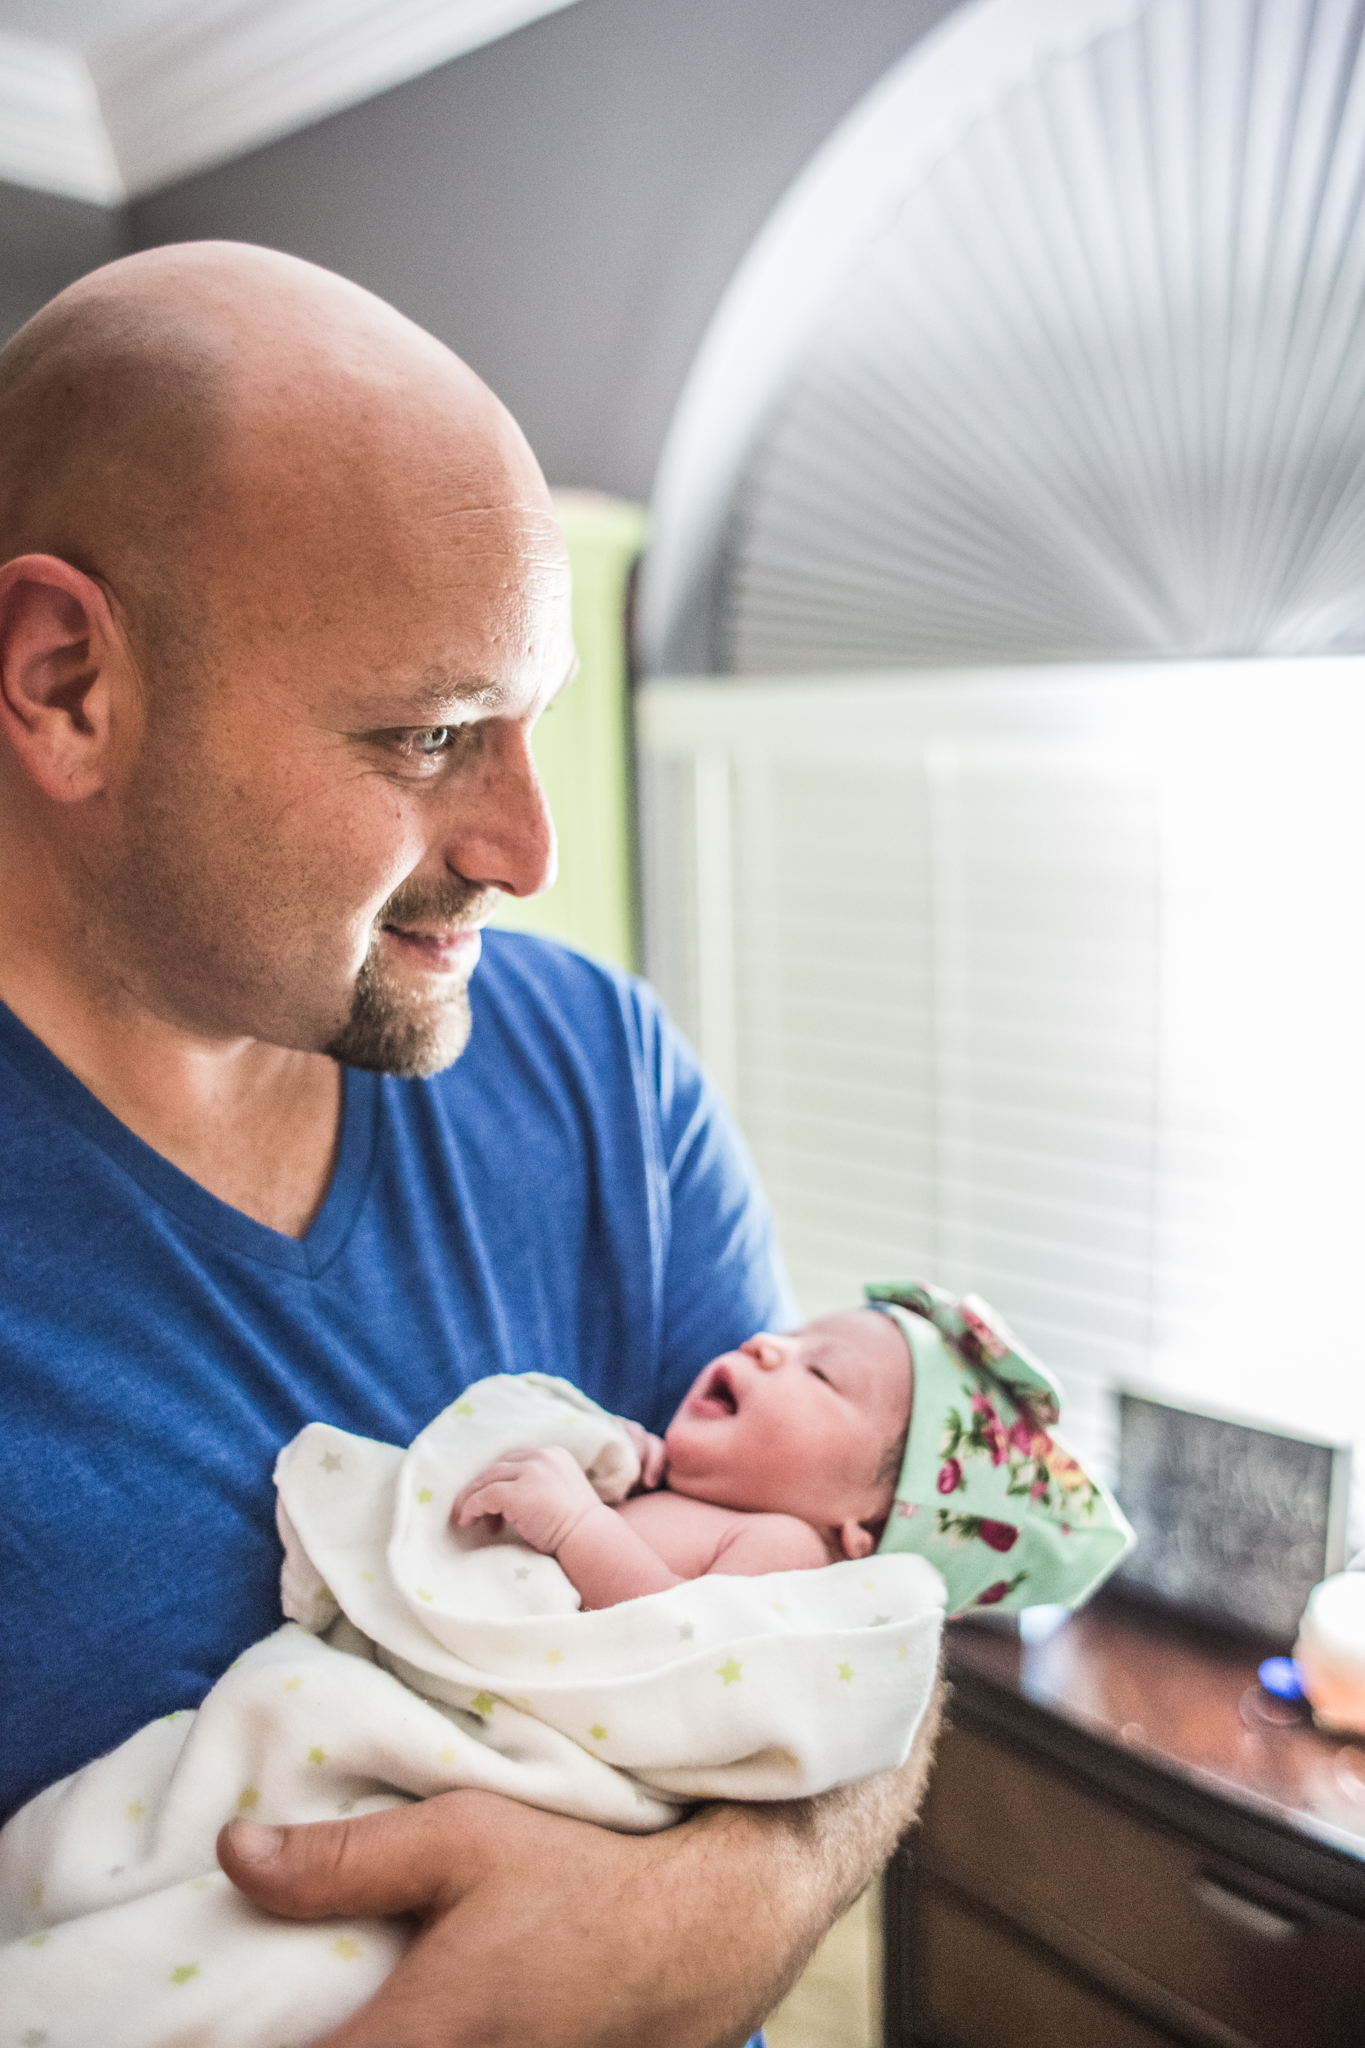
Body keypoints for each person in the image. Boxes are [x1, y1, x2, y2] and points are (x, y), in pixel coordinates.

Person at [0, 241, 943, 2048]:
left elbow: (856, 1633)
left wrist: (698, 1917)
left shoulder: (597, 1068)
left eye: (534, 722)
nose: (527, 847)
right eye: (431, 734)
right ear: (65, 681)